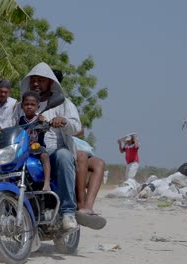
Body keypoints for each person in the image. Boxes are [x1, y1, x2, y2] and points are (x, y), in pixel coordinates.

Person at [20, 62, 81, 230]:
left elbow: (76, 126)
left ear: (50, 83)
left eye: (41, 80)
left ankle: (68, 212)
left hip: (52, 153)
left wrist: (64, 121)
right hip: (24, 152)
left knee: (64, 155)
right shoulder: (23, 105)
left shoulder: (63, 103)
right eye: (33, 80)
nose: (36, 84)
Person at [52, 69, 106, 230]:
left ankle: (87, 207)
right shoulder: (36, 102)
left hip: (75, 143)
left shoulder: (65, 103)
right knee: (80, 156)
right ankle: (80, 203)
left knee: (99, 163)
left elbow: (79, 129)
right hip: (65, 148)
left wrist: (65, 123)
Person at [18, 91, 51, 191]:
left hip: (37, 147)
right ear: (22, 106)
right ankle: (7, 181)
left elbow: (46, 127)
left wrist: (44, 123)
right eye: (26, 104)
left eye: (32, 104)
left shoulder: (39, 119)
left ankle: (47, 182)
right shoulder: (19, 121)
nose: (29, 107)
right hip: (23, 149)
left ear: (38, 107)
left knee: (44, 156)